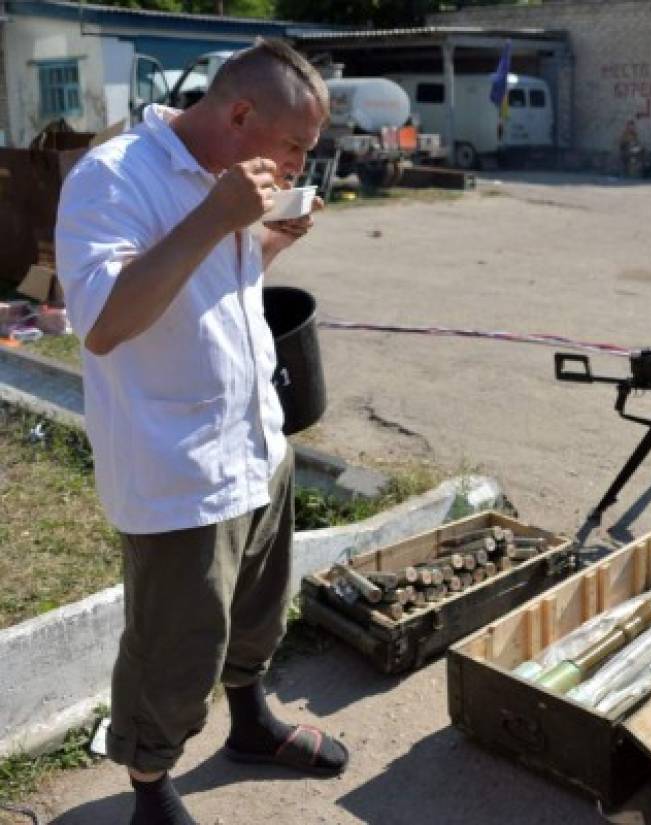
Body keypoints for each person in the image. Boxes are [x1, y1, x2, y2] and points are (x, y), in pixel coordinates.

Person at [55, 39, 348, 825]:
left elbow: (210, 284)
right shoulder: (113, 177)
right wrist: (216, 214)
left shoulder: (233, 188)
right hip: (178, 473)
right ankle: (150, 785)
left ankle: (250, 720)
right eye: (293, 147)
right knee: (174, 652)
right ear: (241, 113)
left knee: (256, 611)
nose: (296, 164)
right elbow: (107, 322)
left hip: (256, 444)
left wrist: (271, 235)